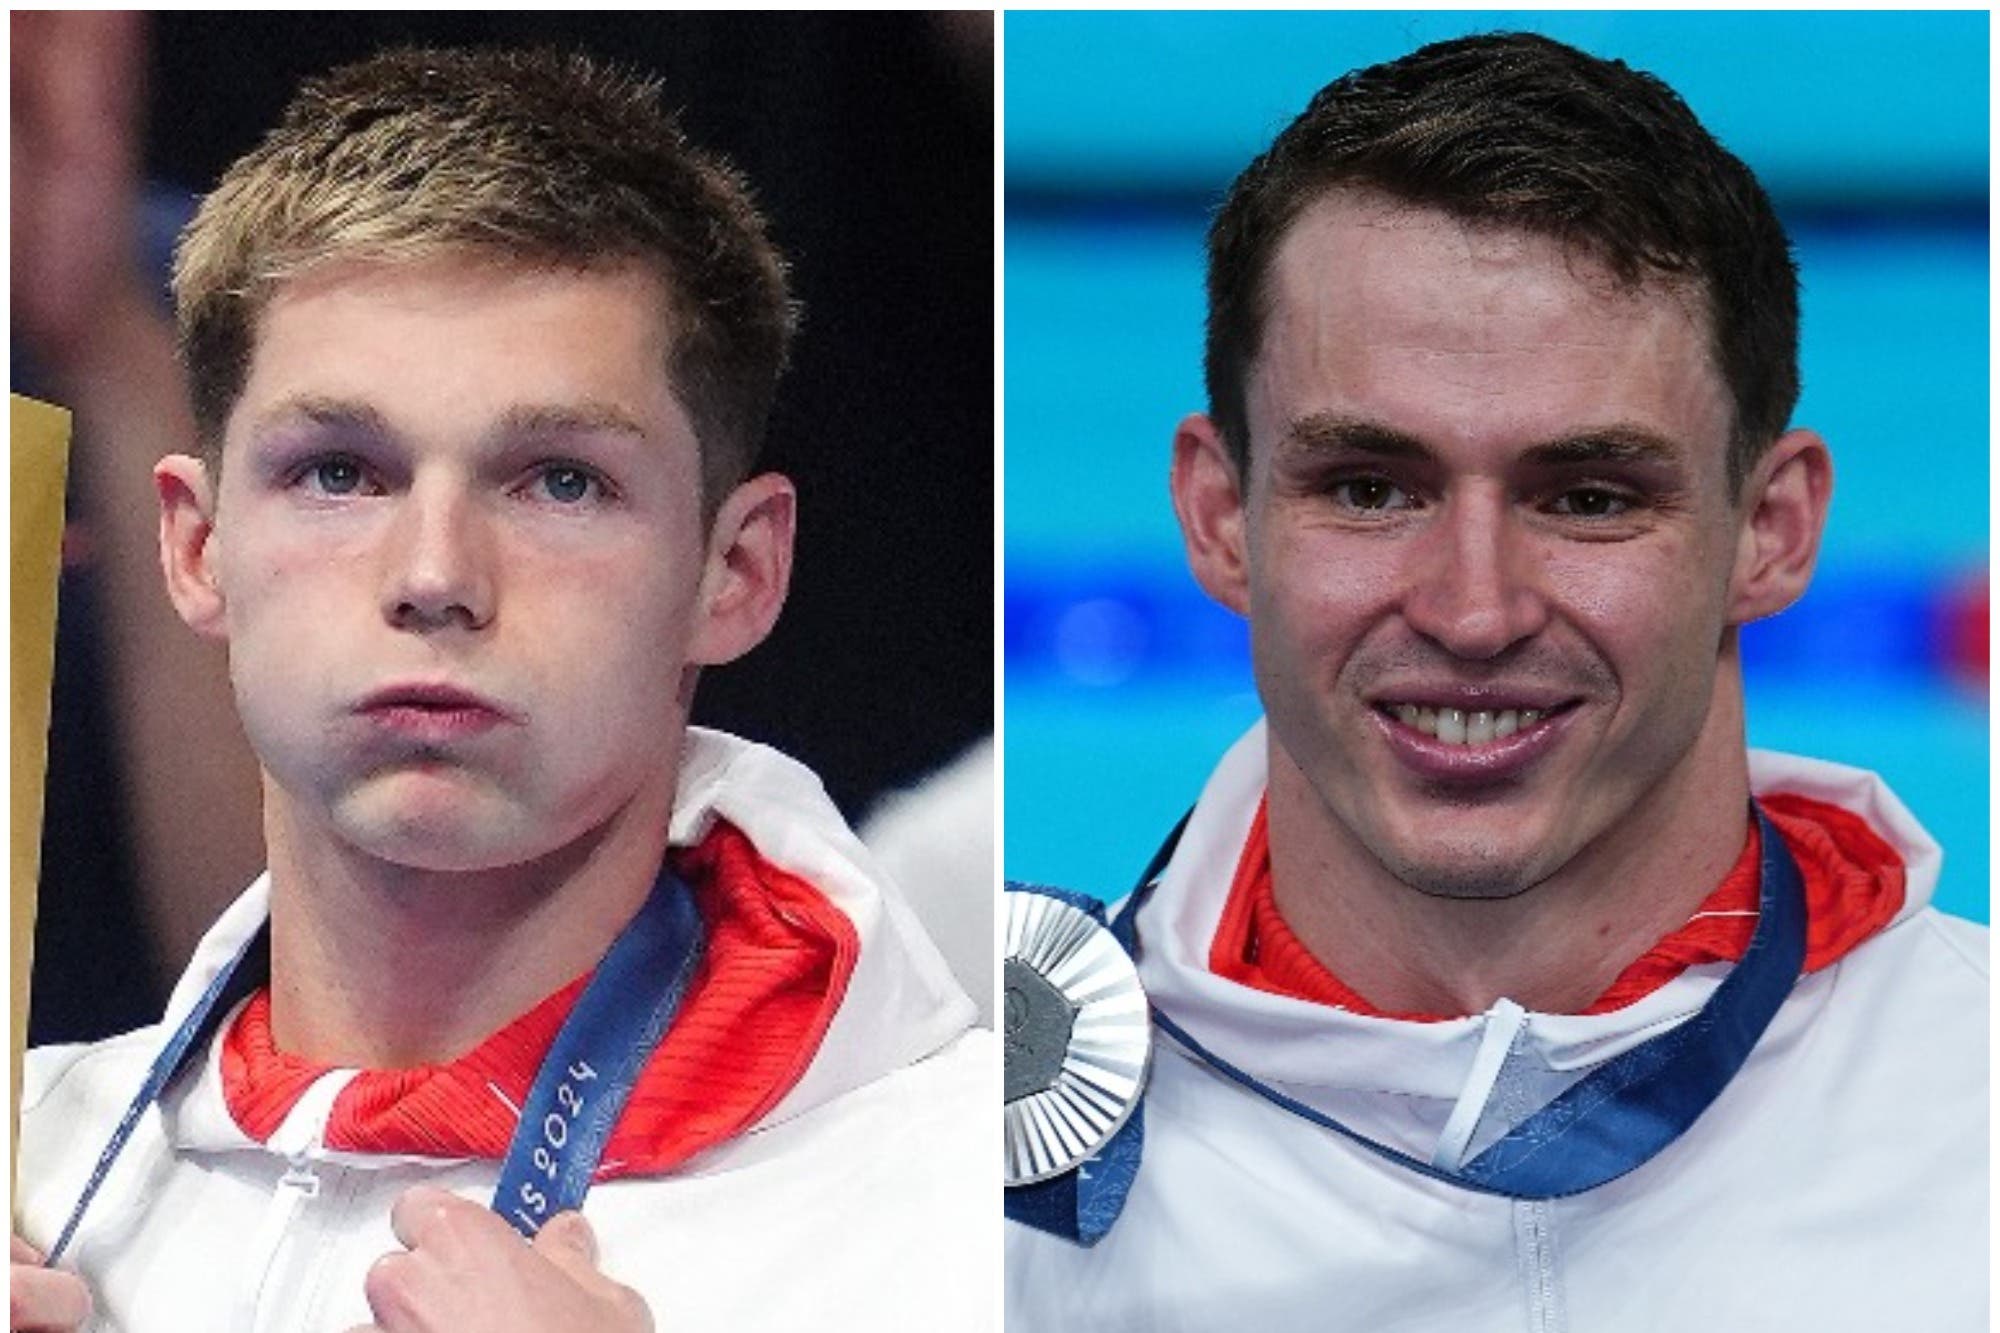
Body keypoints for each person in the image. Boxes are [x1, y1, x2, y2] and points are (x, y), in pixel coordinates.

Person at [1004, 32, 1986, 1331]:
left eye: (1588, 498)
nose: (1475, 611)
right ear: (1220, 515)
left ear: (1773, 527)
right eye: (1368, 487)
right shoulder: (977, 1191)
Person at [13, 46, 990, 1332]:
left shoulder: (981, 1209)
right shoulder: (38, 1153)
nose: (433, 575)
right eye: (338, 472)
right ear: (197, 548)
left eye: (558, 481)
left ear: (735, 569)